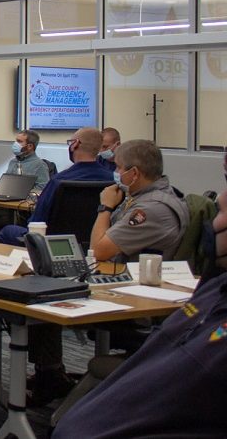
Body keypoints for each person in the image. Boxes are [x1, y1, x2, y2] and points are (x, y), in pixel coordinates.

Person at [51, 188, 227, 438]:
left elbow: (99, 250)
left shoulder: (153, 207)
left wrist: (106, 207)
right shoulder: (212, 291)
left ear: (133, 173)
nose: (219, 199)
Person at [0, 127, 114, 245]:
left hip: (55, 243)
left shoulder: (58, 181)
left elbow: (37, 221)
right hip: (98, 242)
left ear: (75, 144)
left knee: (7, 231)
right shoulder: (113, 180)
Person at [89, 139, 189, 263]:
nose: (115, 172)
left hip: (136, 278)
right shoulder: (149, 195)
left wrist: (105, 206)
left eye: (118, 167)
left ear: (134, 173)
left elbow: (96, 252)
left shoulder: (151, 209)